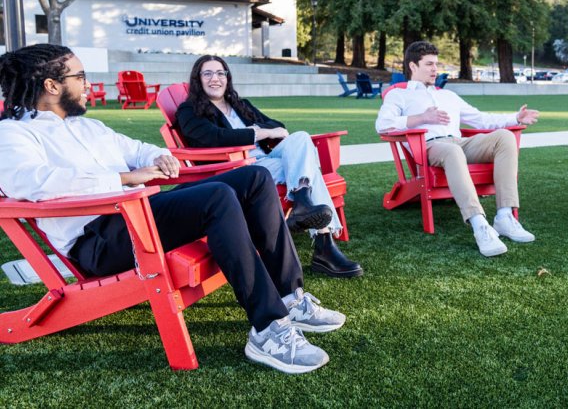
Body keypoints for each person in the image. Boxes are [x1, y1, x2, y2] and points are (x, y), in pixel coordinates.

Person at [0, 44, 343, 374]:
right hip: (99, 240)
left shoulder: (87, 127)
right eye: (80, 76)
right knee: (218, 197)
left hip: (139, 217)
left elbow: (137, 148)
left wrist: (156, 156)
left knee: (253, 177)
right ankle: (267, 328)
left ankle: (290, 296)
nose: (88, 83)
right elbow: (30, 182)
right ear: (51, 85)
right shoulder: (14, 133)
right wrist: (124, 177)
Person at [176, 55, 363, 278]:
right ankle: (324, 245)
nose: (214, 79)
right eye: (207, 73)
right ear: (198, 79)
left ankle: (303, 201)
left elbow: (279, 126)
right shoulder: (189, 110)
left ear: (227, 78)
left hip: (266, 161)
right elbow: (213, 137)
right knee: (307, 167)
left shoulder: (239, 104)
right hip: (239, 170)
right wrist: (259, 132)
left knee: (301, 138)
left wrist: (265, 130)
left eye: (220, 73)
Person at [376, 41, 540, 257]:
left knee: (505, 137)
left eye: (436, 64)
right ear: (412, 66)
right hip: (429, 146)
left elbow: (481, 119)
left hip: (459, 142)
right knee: (453, 152)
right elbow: (382, 124)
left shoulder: (448, 96)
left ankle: (504, 216)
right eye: (429, 64)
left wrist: (515, 117)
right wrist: (422, 118)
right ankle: (479, 225)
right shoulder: (399, 95)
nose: (435, 69)